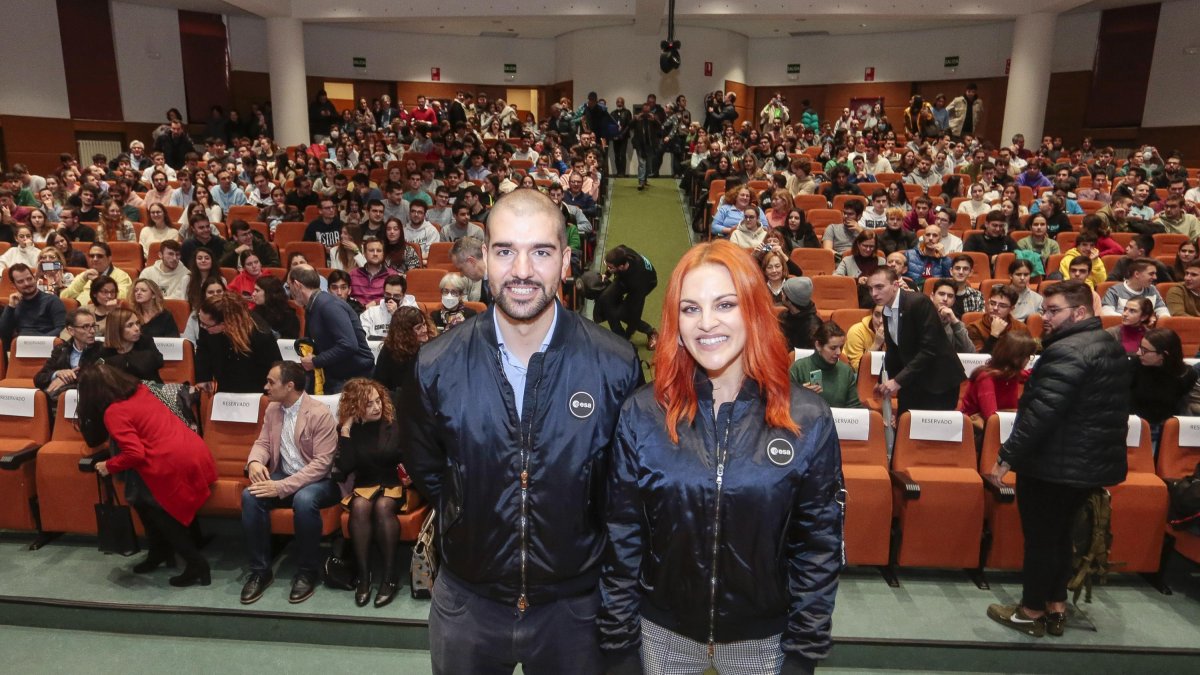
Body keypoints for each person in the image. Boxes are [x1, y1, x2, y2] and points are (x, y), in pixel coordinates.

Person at [401, 189, 641, 675]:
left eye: (542, 252)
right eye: (506, 251)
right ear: (485, 259)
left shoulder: (615, 364)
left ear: (566, 262)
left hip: (575, 608)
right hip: (468, 603)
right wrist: (470, 510)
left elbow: (624, 491)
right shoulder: (435, 364)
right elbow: (430, 470)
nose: (523, 270)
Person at [599, 238, 842, 675]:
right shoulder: (642, 412)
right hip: (661, 633)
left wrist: (804, 652)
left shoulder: (808, 417)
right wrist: (618, 644)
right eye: (690, 308)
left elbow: (818, 545)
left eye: (725, 304)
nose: (706, 323)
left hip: (764, 640)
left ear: (753, 310)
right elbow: (622, 536)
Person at [987, 280, 1131, 638]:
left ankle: (1030, 611)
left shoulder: (1067, 351)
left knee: (1041, 540)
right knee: (1062, 536)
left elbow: (1042, 412)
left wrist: (1006, 457)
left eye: (1054, 311)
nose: (1046, 317)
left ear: (1079, 312)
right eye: (1044, 310)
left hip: (1054, 462)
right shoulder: (1108, 344)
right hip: (1086, 463)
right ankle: (1056, 607)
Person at [83, 363, 217, 588]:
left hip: (170, 461)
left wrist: (109, 465)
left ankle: (196, 564)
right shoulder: (142, 390)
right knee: (142, 502)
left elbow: (134, 453)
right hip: (191, 450)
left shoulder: (114, 412)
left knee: (158, 511)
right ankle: (159, 552)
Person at [240, 361, 342, 605]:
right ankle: (260, 571)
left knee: (304, 500)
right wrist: (254, 462)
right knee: (250, 495)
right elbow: (263, 442)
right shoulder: (272, 409)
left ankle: (307, 571)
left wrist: (280, 487)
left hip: (320, 481)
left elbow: (322, 465)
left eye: (271, 382)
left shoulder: (319, 413)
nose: (266, 387)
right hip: (285, 474)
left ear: (290, 386)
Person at [334, 378, 406, 608]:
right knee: (359, 506)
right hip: (366, 484)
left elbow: (407, 456)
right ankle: (364, 577)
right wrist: (346, 430)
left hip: (395, 482)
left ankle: (389, 576)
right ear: (355, 406)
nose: (377, 407)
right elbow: (345, 467)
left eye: (378, 401)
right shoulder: (351, 430)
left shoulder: (394, 423)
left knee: (383, 506)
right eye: (369, 404)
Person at [868, 267, 966, 412]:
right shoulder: (886, 310)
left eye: (879, 287)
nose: (874, 293)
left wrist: (897, 380)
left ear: (895, 285)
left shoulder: (918, 302)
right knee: (904, 422)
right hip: (913, 378)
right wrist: (881, 380)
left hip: (939, 381)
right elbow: (893, 350)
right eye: (870, 289)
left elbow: (930, 349)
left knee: (928, 426)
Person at [289, 265, 374, 393]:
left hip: (356, 380)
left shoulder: (329, 305)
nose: (289, 291)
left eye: (289, 285)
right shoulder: (313, 306)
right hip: (338, 375)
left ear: (296, 285)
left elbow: (349, 344)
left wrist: (315, 361)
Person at [195, 293, 282, 394]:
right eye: (200, 321)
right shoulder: (206, 322)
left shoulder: (260, 334)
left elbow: (274, 368)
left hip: (255, 388)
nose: (202, 327)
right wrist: (203, 376)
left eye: (205, 325)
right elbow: (203, 347)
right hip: (224, 385)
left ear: (224, 324)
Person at [959, 332, 1038, 440]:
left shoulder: (1012, 374)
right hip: (975, 434)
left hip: (1001, 428)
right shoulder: (986, 378)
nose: (1028, 360)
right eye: (1027, 356)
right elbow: (991, 418)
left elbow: (1034, 373)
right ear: (1015, 357)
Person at [1131, 328, 1198, 449]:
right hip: (1136, 429)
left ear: (1164, 355)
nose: (1138, 353)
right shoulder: (1133, 366)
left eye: (1145, 350)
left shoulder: (1187, 375)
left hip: (1167, 432)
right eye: (1140, 347)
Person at [594, 244, 659, 349]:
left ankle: (651, 332)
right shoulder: (621, 251)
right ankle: (620, 337)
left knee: (623, 314)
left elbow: (636, 311)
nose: (608, 268)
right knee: (605, 300)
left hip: (646, 283)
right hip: (624, 276)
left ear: (621, 266)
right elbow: (613, 264)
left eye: (610, 268)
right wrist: (606, 274)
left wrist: (629, 333)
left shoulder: (638, 281)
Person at [790, 321, 862, 408]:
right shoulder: (799, 368)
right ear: (818, 345)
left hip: (839, 417)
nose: (839, 352)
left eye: (841, 347)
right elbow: (784, 403)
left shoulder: (846, 371)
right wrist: (800, 394)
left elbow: (855, 408)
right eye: (833, 348)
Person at [36, 307, 102, 401]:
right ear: (71, 331)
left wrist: (66, 380)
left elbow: (98, 379)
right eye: (85, 327)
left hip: (90, 399)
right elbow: (38, 379)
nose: (92, 331)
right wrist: (57, 374)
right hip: (62, 400)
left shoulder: (102, 350)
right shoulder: (61, 350)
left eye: (93, 326)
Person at [0, 263, 67, 344]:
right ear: (14, 285)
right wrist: (10, 307)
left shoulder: (52, 301)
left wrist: (36, 342)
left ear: (34, 278)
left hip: (47, 345)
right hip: (21, 346)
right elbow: (3, 334)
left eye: (29, 279)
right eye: (20, 281)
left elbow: (62, 329)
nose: (27, 283)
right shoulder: (15, 305)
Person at [372, 305, 429, 394]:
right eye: (418, 328)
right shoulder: (390, 351)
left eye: (424, 324)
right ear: (405, 332)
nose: (425, 330)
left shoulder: (433, 343)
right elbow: (380, 386)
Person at [97, 307, 164, 381]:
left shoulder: (145, 341)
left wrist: (125, 362)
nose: (137, 328)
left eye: (137, 323)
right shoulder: (105, 351)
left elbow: (159, 361)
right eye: (130, 325)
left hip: (150, 386)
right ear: (116, 329)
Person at [967, 284, 1031, 353]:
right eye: (992, 303)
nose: (995, 308)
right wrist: (994, 335)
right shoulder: (974, 328)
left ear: (1012, 308)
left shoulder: (1021, 328)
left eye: (1002, 306)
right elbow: (979, 358)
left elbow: (1027, 354)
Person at [61, 242, 133, 302]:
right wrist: (82, 280)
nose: (95, 259)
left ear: (109, 259)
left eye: (99, 256)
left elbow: (123, 297)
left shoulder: (121, 276)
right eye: (92, 256)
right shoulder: (84, 275)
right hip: (79, 311)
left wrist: (99, 282)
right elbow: (64, 296)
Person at [1100, 258, 1169, 318]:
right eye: (1151, 274)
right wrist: (1140, 320)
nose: (1155, 277)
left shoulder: (1152, 290)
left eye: (1155, 274)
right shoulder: (1115, 291)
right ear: (1137, 274)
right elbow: (1107, 313)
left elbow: (1163, 311)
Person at [931, 278, 976, 353]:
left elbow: (971, 352)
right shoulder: (922, 317)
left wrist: (955, 322)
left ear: (953, 301)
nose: (945, 299)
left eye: (950, 296)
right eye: (941, 294)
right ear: (932, 296)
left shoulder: (955, 323)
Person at [845, 305, 886, 372]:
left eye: (885, 316)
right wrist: (876, 344)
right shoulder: (856, 331)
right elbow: (856, 368)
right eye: (877, 315)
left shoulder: (897, 331)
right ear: (871, 314)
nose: (881, 320)